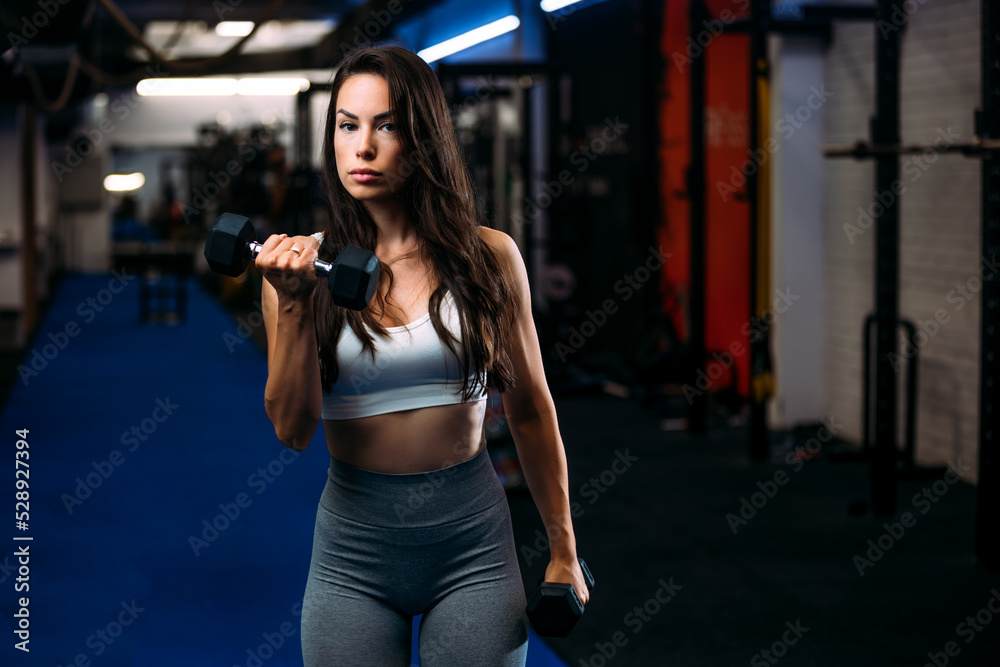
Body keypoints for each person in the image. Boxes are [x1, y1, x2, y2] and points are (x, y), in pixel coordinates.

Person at [254, 44, 588, 667]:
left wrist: (563, 550)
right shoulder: (301, 270)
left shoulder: (489, 258)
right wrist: (295, 303)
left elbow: (530, 410)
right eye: (347, 126)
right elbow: (293, 430)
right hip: (352, 555)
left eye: (387, 126)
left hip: (472, 549)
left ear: (424, 137)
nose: (363, 147)